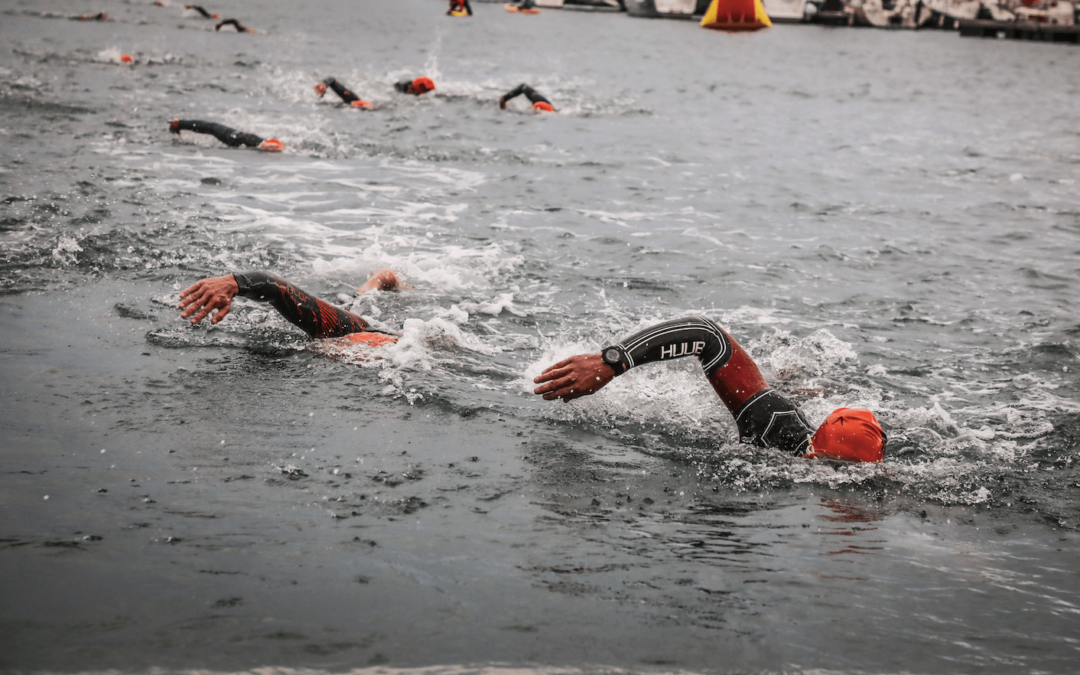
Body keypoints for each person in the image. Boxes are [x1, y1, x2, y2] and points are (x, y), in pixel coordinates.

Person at [532, 317, 887, 463]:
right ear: (812, 451)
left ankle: (795, 380)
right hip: (771, 403)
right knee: (776, 387)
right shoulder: (771, 426)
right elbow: (706, 335)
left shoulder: (874, 482)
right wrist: (613, 360)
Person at [178, 269, 405, 347]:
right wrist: (237, 282)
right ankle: (376, 283)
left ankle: (376, 283)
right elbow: (277, 288)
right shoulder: (390, 343)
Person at [169, 119, 284, 151]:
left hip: (236, 137)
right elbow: (270, 145)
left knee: (211, 127)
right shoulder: (272, 145)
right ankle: (178, 123)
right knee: (211, 127)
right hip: (234, 137)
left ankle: (179, 123)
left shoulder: (271, 145)